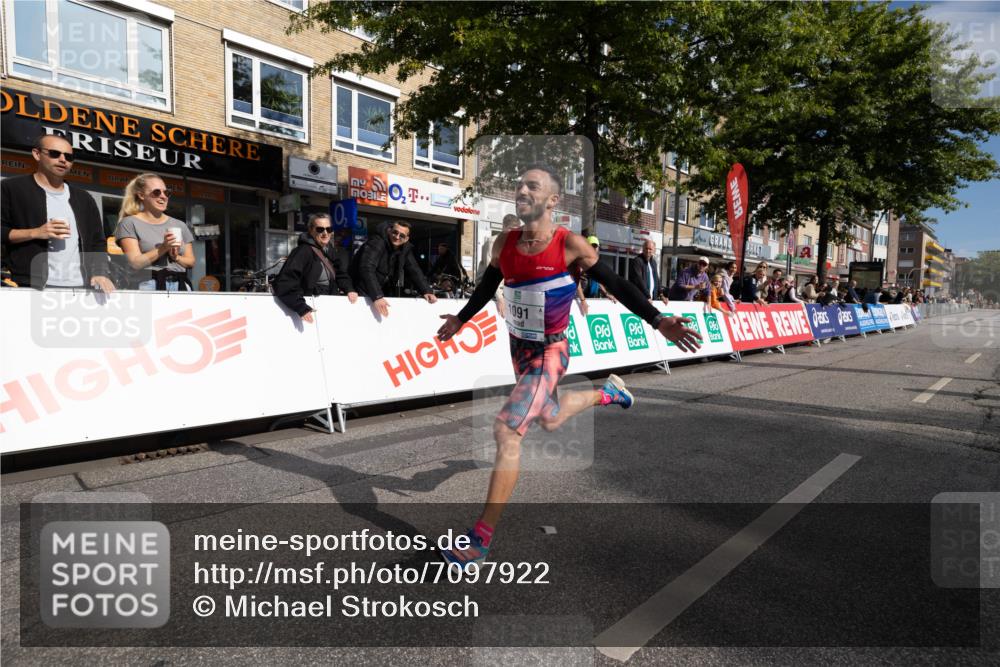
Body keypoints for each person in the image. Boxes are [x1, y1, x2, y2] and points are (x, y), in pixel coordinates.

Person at [435, 165, 702, 569]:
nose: (521, 189)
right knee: (551, 419)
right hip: (519, 350)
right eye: (519, 183)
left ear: (553, 200)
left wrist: (657, 319)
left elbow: (618, 284)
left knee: (507, 429)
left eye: (532, 186)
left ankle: (479, 542)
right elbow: (489, 285)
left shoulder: (570, 245)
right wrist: (460, 318)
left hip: (551, 353)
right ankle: (609, 393)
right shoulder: (502, 244)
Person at [1, 134, 114, 291]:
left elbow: (97, 242)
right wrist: (35, 232)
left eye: (69, 157)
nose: (63, 160)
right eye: (55, 153)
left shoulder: (83, 198)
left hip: (82, 288)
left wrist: (100, 272)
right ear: (37, 154)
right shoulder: (11, 189)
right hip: (32, 286)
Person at [114, 173, 195, 290]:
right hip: (148, 284)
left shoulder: (179, 225)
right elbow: (135, 263)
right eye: (157, 192)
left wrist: (176, 257)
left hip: (180, 283)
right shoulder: (129, 223)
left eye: (166, 193)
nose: (163, 196)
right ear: (141, 195)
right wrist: (164, 247)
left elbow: (191, 262)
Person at [273, 213, 358, 323]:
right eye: (320, 229)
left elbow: (340, 273)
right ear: (311, 230)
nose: (325, 233)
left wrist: (349, 289)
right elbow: (285, 283)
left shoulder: (329, 250)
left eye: (329, 229)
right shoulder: (303, 251)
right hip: (309, 310)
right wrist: (301, 307)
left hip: (329, 306)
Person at [349, 220, 437, 317]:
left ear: (406, 239)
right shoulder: (377, 242)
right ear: (389, 231)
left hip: (380, 292)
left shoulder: (404, 248)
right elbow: (366, 268)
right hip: (361, 290)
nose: (397, 237)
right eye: (395, 232)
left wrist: (426, 291)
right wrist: (377, 296)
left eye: (402, 235)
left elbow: (414, 269)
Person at [479, 214, 522, 317]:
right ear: (503, 227)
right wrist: (500, 297)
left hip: (506, 289)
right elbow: (490, 274)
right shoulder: (493, 242)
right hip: (488, 288)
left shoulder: (515, 242)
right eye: (510, 230)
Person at [628, 239, 668, 304]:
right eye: (646, 248)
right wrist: (647, 296)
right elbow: (639, 280)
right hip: (641, 300)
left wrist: (661, 295)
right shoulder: (637, 261)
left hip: (652, 300)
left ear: (654, 250)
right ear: (643, 249)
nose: (648, 251)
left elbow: (656, 280)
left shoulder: (653, 262)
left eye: (650, 249)